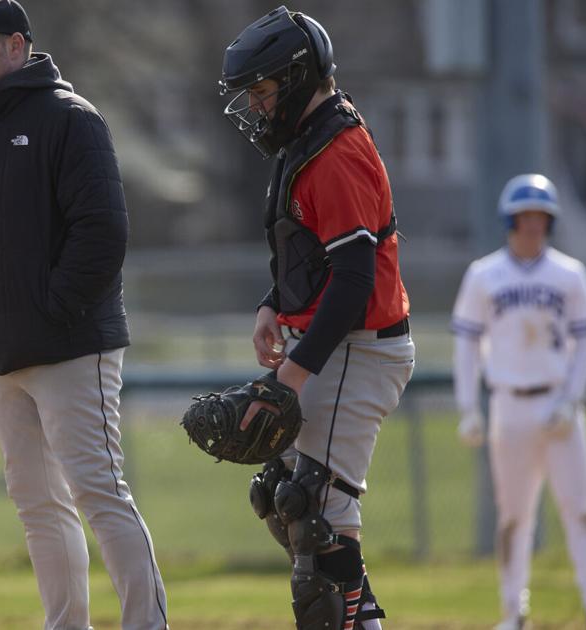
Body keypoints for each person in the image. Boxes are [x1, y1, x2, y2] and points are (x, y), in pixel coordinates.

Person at [0, 1, 169, 628]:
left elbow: (103, 235)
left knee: (99, 492)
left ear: (16, 45)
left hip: (69, 347)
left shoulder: (72, 119)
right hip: (2, 352)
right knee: (36, 502)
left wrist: (51, 310)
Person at [220, 6, 414, 629]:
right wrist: (271, 305)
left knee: (314, 515)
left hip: (360, 345)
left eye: (264, 90)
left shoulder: (337, 152)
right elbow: (306, 254)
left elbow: (354, 285)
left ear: (299, 78)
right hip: (334, 342)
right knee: (285, 504)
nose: (257, 105)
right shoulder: (304, 143)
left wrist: (291, 379)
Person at [451, 173, 586, 630]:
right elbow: (466, 345)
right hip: (509, 405)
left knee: (580, 509)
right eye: (525, 215)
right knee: (514, 516)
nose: (532, 225)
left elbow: (585, 344)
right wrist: (469, 407)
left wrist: (572, 399)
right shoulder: (484, 275)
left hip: (559, 405)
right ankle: (513, 610)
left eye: (541, 216)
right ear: (510, 218)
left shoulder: (569, 274)